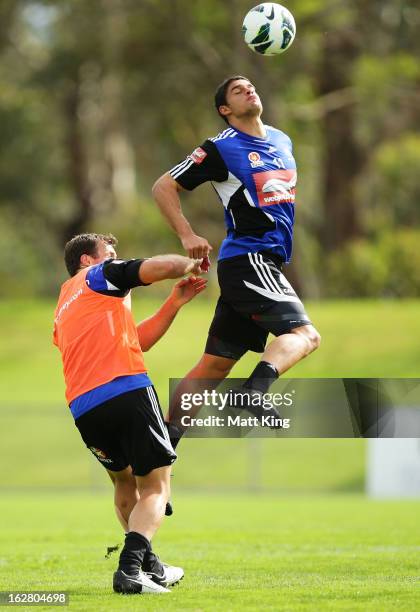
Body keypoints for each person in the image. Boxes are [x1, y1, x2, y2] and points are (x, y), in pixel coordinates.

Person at [152, 75, 321, 445]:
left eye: (250, 85)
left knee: (213, 366)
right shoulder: (219, 147)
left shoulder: (281, 139)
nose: (249, 89)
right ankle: (253, 392)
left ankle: (162, 447)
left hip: (263, 264)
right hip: (249, 258)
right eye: (237, 90)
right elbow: (163, 186)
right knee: (304, 335)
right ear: (225, 110)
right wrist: (187, 234)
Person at [53, 233, 206, 594]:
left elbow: (134, 342)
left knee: (124, 482)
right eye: (109, 253)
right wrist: (190, 264)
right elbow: (160, 266)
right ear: (88, 261)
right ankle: (129, 570)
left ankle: (150, 566)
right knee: (156, 486)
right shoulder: (98, 276)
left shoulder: (63, 304)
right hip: (126, 389)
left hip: (84, 407)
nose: (115, 257)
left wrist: (173, 303)